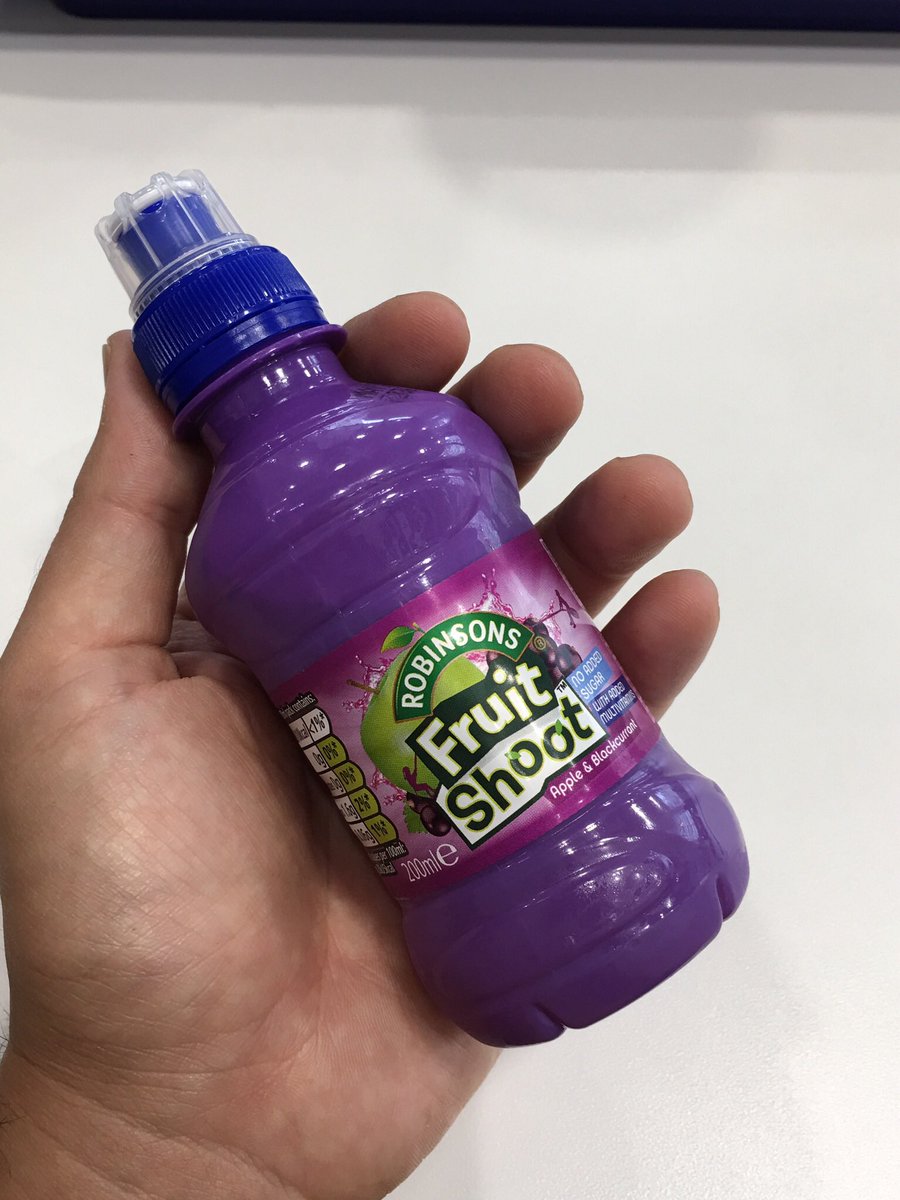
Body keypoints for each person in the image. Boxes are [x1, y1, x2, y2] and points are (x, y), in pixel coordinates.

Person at [0, 293, 718, 1199]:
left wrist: (115, 1146)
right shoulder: (404, 452)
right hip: (627, 851)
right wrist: (119, 1127)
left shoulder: (260, 531)